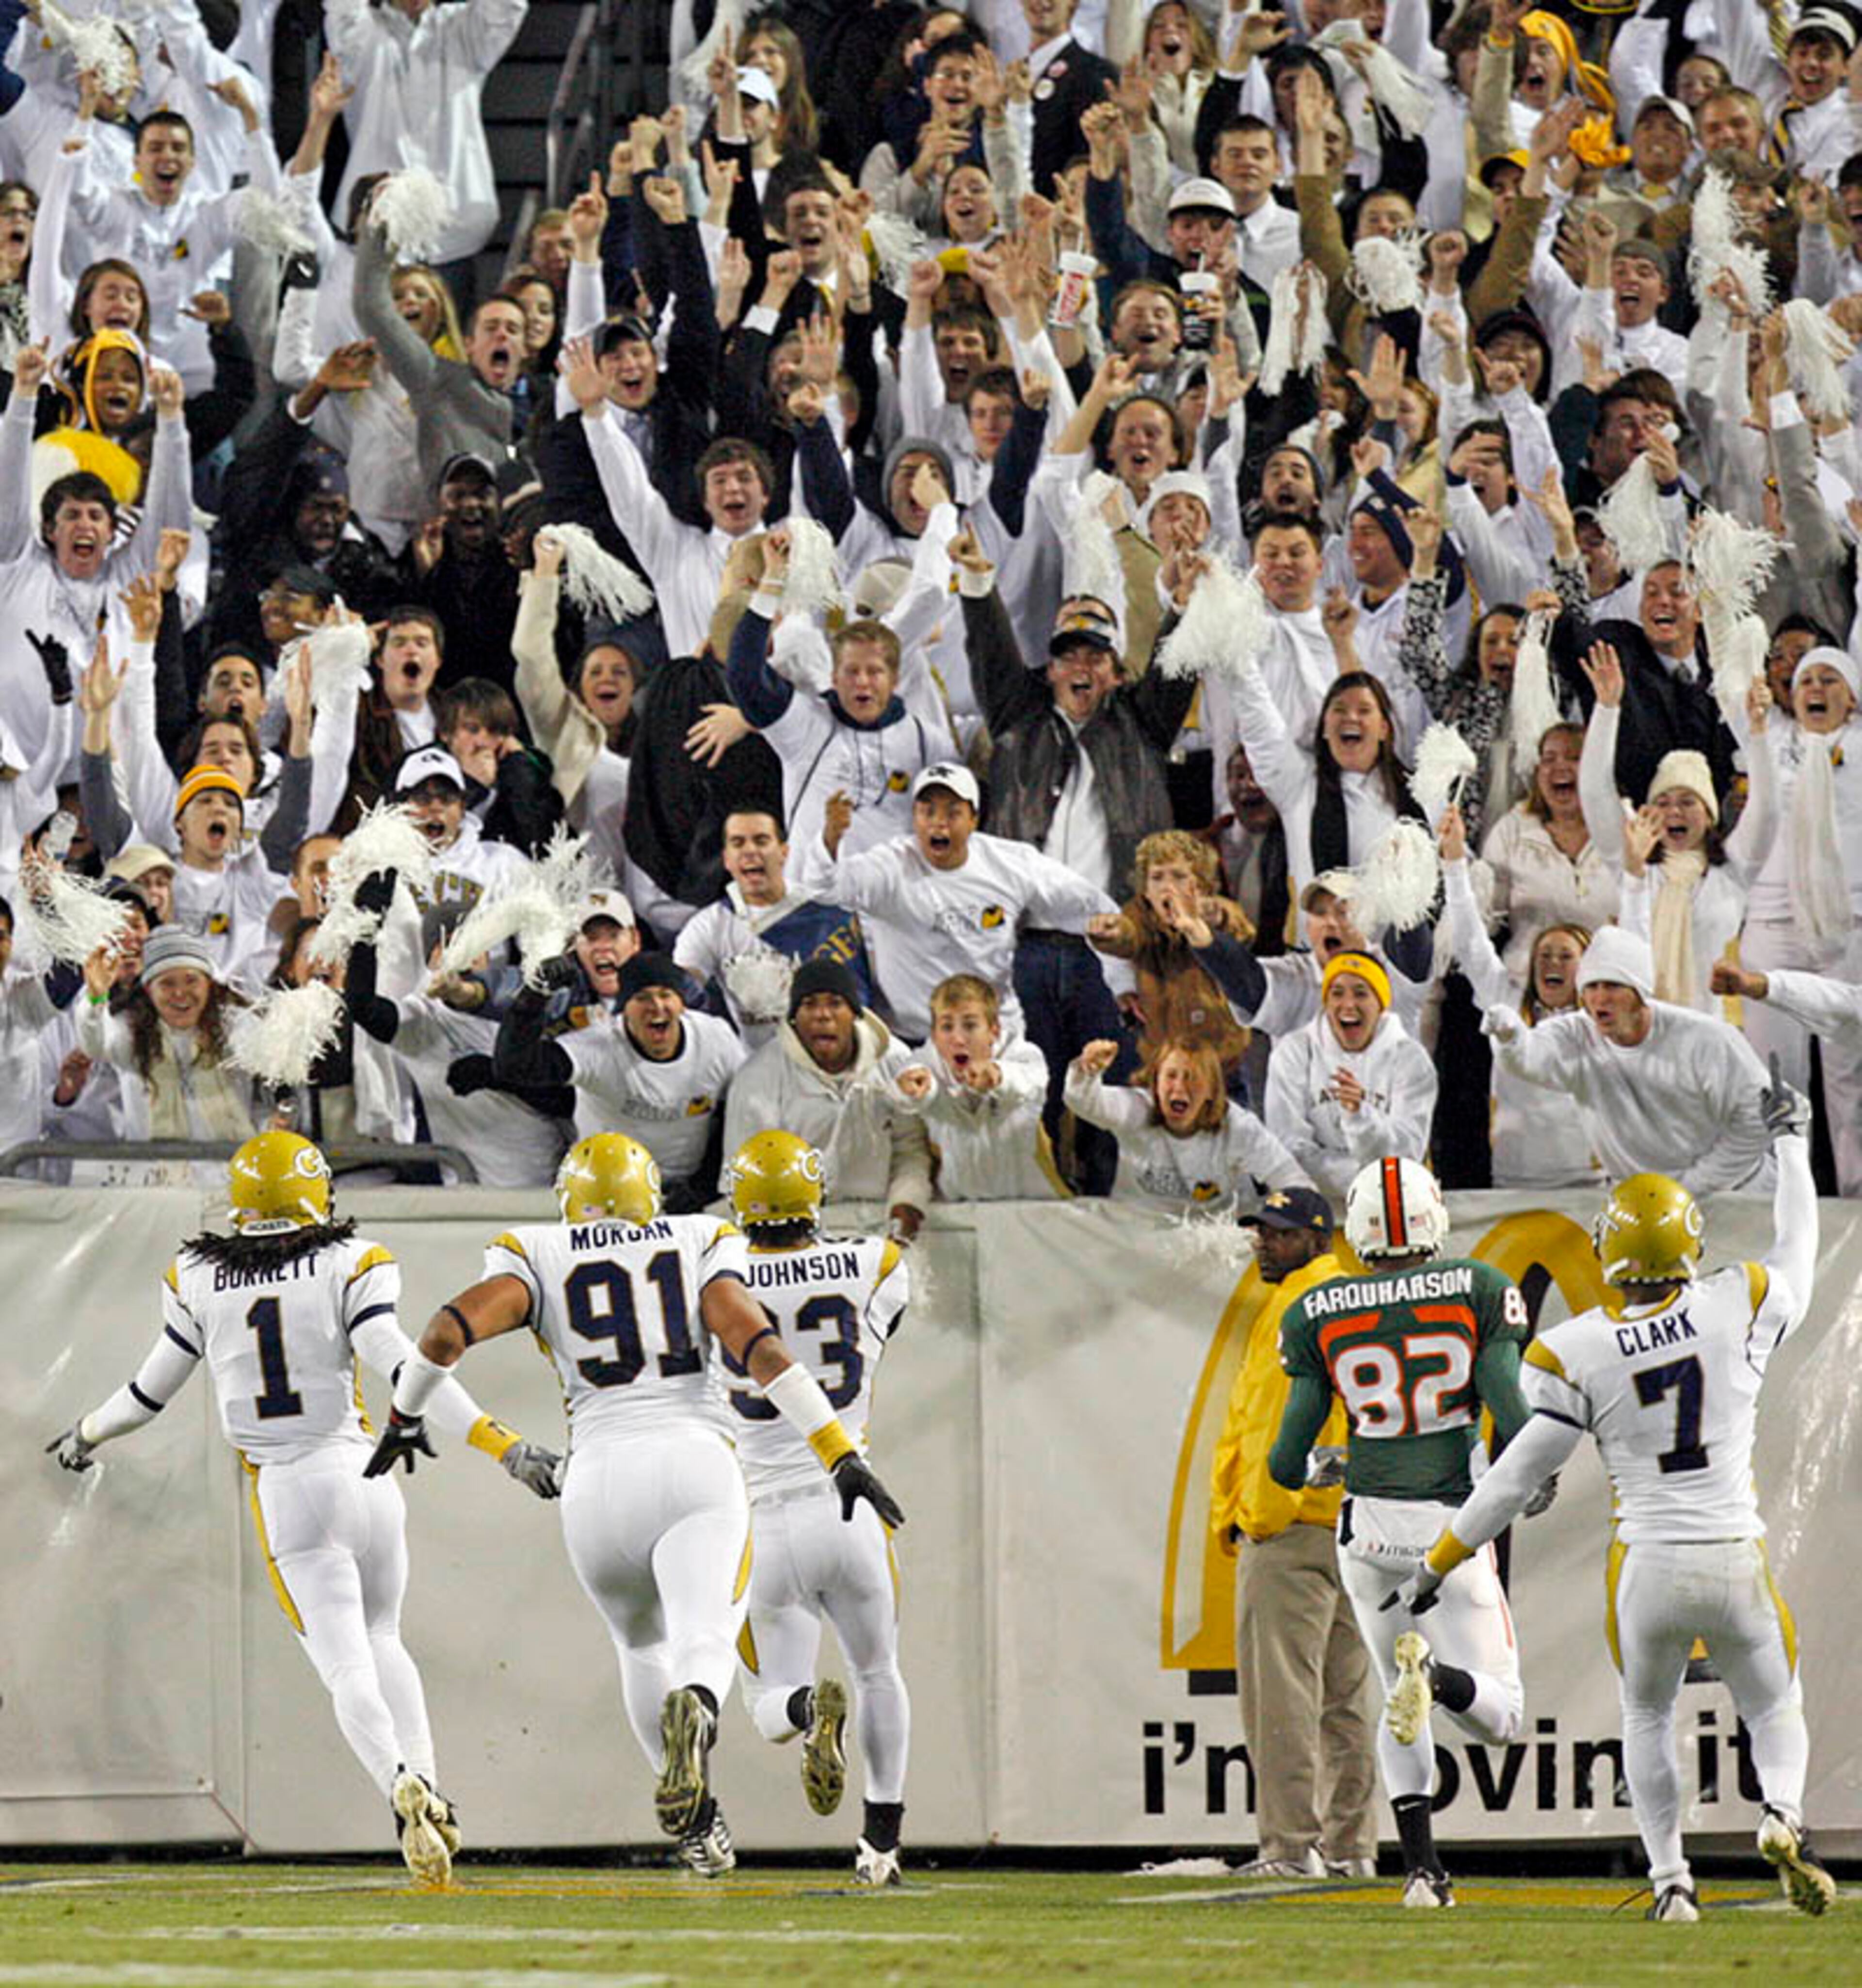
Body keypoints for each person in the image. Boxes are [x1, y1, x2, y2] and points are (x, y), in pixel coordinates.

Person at [364, 1132, 905, 1875]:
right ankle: (699, 1705)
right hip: (691, 1460)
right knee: (704, 1636)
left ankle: (700, 1828)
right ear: (650, 1193)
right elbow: (758, 1346)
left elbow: (444, 1332)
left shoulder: (534, 1250)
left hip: (593, 1482)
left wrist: (403, 1414)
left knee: (640, 1647)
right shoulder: (699, 1236)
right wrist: (838, 1451)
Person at [45, 1132, 562, 1886]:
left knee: (345, 1663)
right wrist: (502, 1444)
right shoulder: (349, 1260)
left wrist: (84, 1435)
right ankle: (430, 1780)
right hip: (363, 1472)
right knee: (387, 1637)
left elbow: (146, 1394)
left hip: (288, 1490)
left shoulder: (196, 1276)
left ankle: (399, 1786)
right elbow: (408, 1364)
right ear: (314, 1192)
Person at [1396, 1082, 1835, 1922]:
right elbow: (1799, 1246)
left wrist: (1437, 1562)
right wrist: (1790, 1142)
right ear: (1689, 1242)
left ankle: (1672, 1883)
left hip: (1648, 1566)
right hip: (1733, 1554)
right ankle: (1781, 1810)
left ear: (1610, 1251)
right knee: (1775, 1702)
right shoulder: (1737, 1299)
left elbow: (1514, 1477)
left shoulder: (1580, 1347)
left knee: (1646, 1712)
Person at [1268, 1157, 1534, 1910]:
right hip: (1450, 1525)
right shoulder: (1477, 1287)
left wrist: (1328, 1462)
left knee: (1393, 1694)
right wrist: (1528, 1477)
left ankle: (1422, 1872)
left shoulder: (1318, 1308)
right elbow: (1516, 1421)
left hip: (1366, 1529)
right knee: (1501, 1715)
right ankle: (1440, 1680)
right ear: (1432, 1217)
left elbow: (1285, 1461)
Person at [722, 1131, 913, 1886]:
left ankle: (807, 1710)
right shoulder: (876, 1262)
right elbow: (885, 1320)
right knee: (879, 1671)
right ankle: (881, 1845)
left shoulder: (715, 1275)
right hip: (849, 1502)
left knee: (765, 1700)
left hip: (761, 1516)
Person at [1207, 1187, 1376, 1881]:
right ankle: (1352, 1847)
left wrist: (1260, 1513)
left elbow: (1272, 1425)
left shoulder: (1297, 1305)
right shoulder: (1355, 1299)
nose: (1264, 1242)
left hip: (1293, 1528)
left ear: (1319, 1237)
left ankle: (1289, 1846)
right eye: (1262, 1230)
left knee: (1281, 1700)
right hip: (1354, 1526)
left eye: (1280, 1233)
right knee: (1347, 1701)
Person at [1484, 927, 1778, 1194]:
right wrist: (1511, 1039)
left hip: (1740, 1194)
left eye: (1613, 987)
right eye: (1592, 987)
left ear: (1640, 993)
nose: (1600, 999)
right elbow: (1532, 1056)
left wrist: (1696, 1185)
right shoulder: (1577, 1034)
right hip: (1647, 1205)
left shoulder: (1705, 1038)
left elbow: (1759, 1116)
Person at [721, 959, 931, 1238]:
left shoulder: (895, 1060)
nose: (822, 1015)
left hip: (880, 1216)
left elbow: (911, 1149)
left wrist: (907, 1202)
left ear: (855, 1014)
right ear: (794, 1018)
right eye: (809, 1004)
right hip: (794, 1224)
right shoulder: (757, 1077)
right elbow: (741, 1175)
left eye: (835, 1003)